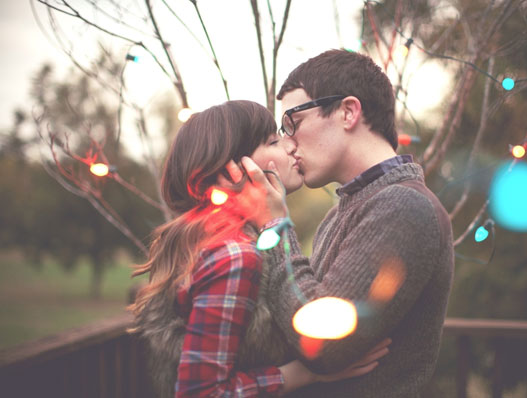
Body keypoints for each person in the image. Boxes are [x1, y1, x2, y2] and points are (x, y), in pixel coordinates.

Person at [128, 100, 390, 398]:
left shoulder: (216, 242)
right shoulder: (235, 256)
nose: (291, 147)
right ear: (234, 170)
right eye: (273, 141)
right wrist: (305, 373)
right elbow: (200, 393)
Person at [236, 49, 455, 397]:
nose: (288, 144)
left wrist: (276, 226)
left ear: (348, 111)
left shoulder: (404, 206)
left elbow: (322, 344)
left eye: (294, 123)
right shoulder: (345, 210)